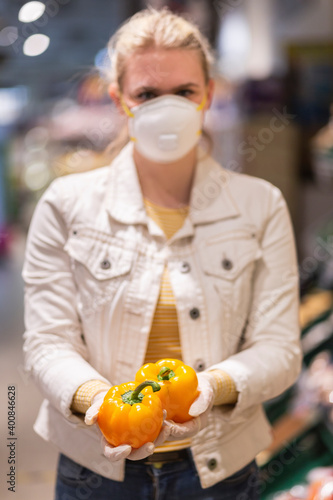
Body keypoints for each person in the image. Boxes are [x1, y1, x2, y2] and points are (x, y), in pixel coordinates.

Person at [22, 7, 302, 500]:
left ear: (208, 94)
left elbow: (279, 350)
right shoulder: (67, 206)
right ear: (119, 100)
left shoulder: (260, 205)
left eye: (185, 92)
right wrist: (104, 405)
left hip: (220, 472)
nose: (166, 108)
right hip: (95, 473)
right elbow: (47, 342)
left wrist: (208, 389)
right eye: (147, 95)